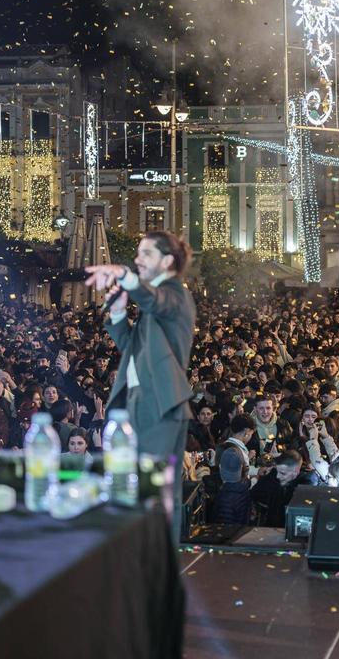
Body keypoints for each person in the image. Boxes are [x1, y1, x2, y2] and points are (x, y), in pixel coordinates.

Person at [87, 230, 198, 541]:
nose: (137, 260)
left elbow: (156, 300)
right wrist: (120, 310)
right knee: (153, 490)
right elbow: (132, 346)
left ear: (167, 261)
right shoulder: (154, 304)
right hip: (143, 402)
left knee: (152, 489)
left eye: (145, 254)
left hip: (158, 403)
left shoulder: (174, 294)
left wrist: (126, 276)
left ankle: (152, 558)